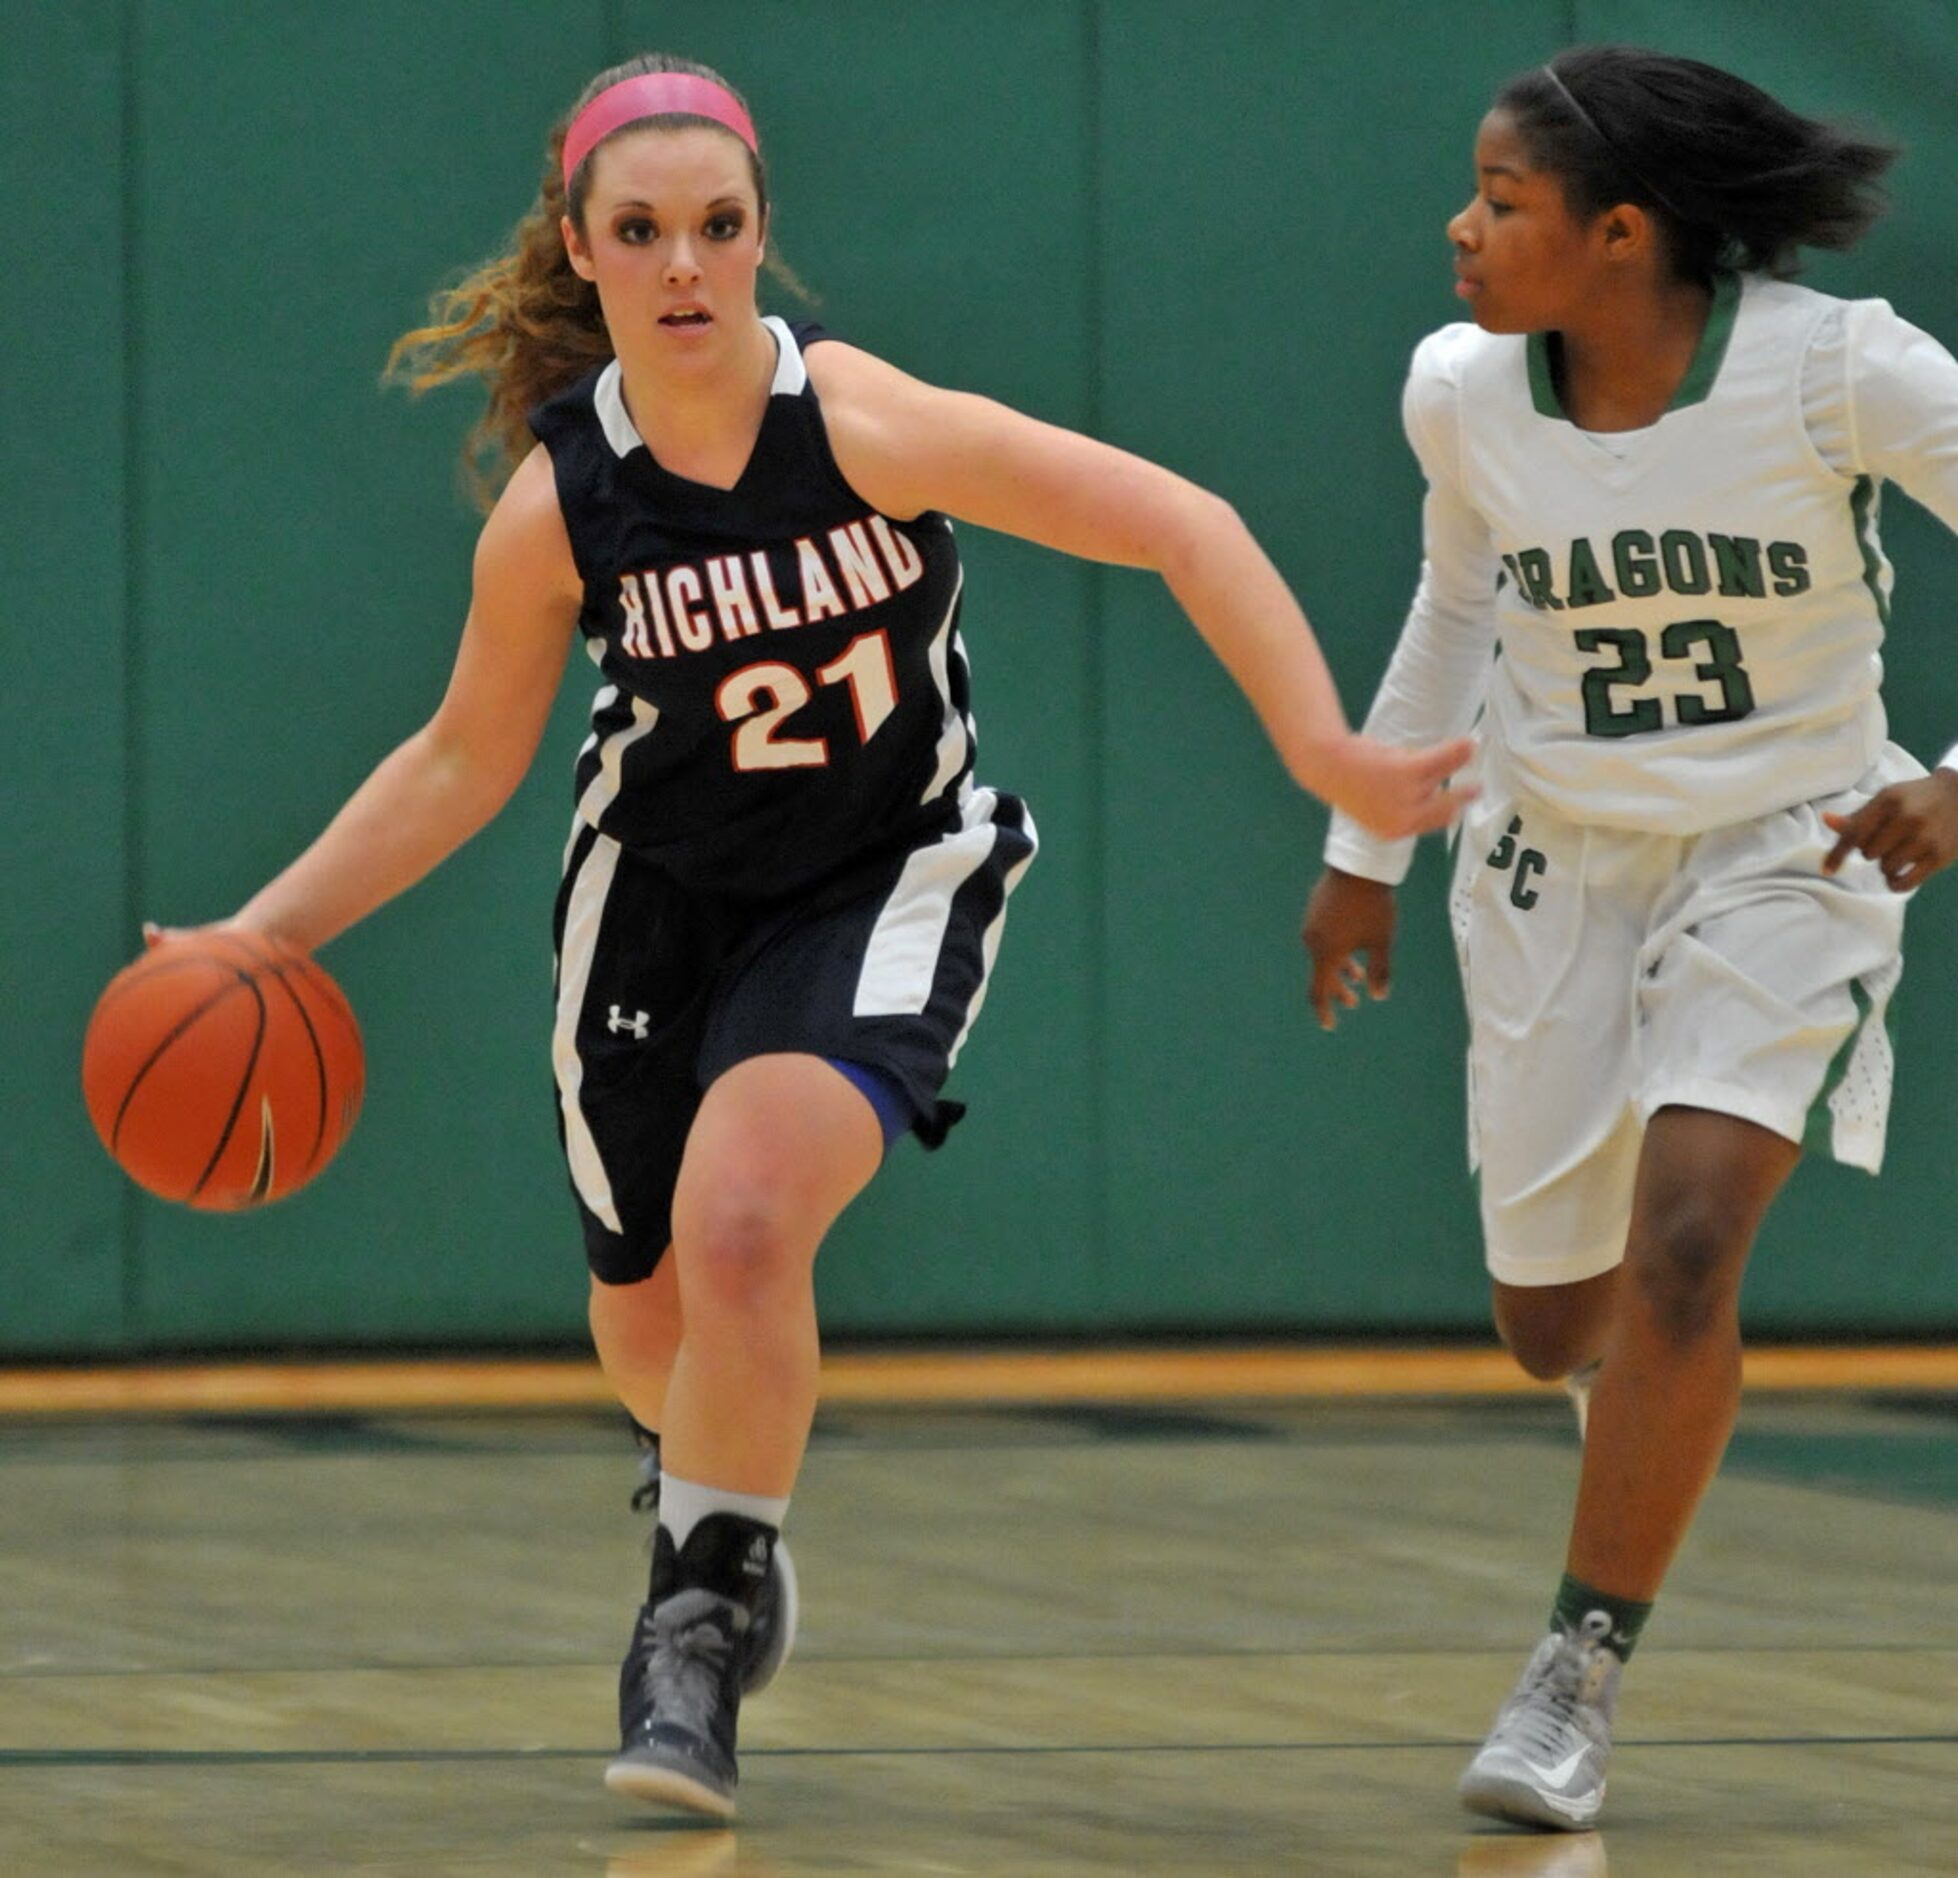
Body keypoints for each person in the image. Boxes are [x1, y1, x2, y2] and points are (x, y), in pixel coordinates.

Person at [153, 54, 1470, 1818]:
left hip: (879, 871)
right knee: (649, 1319)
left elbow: (1181, 522)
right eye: (643, 232)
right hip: (657, 896)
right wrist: (262, 936)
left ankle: (689, 1628)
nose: (685, 265)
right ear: (582, 247)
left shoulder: (856, 420)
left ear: (763, 233)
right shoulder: (565, 506)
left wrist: (1322, 746)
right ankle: (709, 1494)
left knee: (748, 1217)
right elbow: (464, 757)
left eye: (718, 226)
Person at [1302, 44, 1958, 1832]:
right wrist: (1364, 839)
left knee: (1685, 1246)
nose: (1456, 228)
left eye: (1497, 202)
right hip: (1547, 849)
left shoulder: (1838, 371)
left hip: (1787, 845)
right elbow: (1453, 604)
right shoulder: (1462, 391)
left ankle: (1573, 1670)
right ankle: (1644, 1420)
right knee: (1546, 1323)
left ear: (1618, 233)